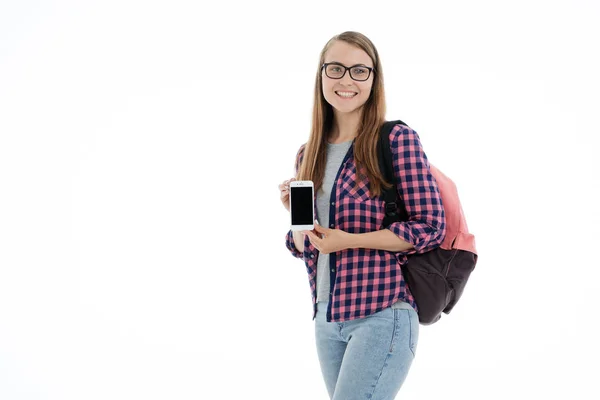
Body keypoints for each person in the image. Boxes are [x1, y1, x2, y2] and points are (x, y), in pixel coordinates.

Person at [278, 31, 446, 400]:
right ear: (321, 74)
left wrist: (349, 242)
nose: (346, 80)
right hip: (325, 316)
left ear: (374, 79)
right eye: (336, 68)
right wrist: (300, 221)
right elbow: (304, 246)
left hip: (380, 312)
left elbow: (431, 227)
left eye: (359, 71)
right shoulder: (308, 154)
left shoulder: (395, 140)